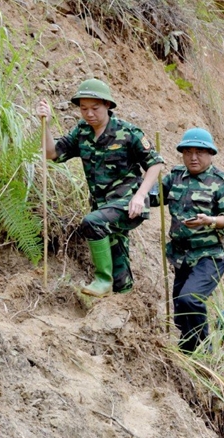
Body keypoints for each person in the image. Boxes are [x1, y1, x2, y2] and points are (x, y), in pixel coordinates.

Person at [36, 79, 164, 296]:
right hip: (103, 205)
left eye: (95, 108)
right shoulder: (82, 132)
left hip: (128, 202)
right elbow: (52, 153)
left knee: (92, 222)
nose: (89, 114)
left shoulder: (128, 132)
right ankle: (124, 301)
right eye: (84, 109)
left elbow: (156, 163)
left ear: (107, 105)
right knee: (118, 255)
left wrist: (140, 196)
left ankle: (103, 280)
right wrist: (46, 125)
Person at [159, 128, 224, 353]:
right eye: (188, 152)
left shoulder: (222, 183)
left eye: (199, 153)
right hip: (181, 255)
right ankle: (188, 354)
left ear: (210, 154)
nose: (193, 158)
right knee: (181, 313)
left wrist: (211, 220)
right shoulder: (175, 177)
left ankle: (204, 349)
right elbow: (153, 198)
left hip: (210, 255)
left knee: (190, 300)